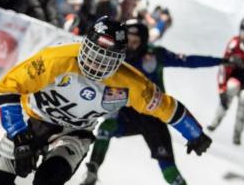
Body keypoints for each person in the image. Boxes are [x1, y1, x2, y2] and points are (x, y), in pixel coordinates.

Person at [0, 16, 212, 185]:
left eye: (107, 59)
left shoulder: (131, 83)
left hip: (75, 134)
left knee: (47, 181)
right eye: (93, 54)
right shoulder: (54, 60)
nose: (96, 65)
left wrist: (196, 134)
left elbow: (166, 108)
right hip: (33, 123)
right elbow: (8, 88)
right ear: (84, 44)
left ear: (121, 59)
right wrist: (19, 135)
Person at [81, 20, 227, 185]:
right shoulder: (116, 54)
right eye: (129, 38)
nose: (132, 43)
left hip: (155, 116)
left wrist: (220, 61)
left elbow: (189, 61)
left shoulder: (156, 54)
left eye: (136, 39)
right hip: (127, 114)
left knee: (169, 169)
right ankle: (92, 170)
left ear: (144, 40)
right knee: (105, 129)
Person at [207, 16, 244, 145]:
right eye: (243, 31)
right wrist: (221, 89)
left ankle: (237, 134)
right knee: (230, 88)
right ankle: (215, 123)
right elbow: (223, 66)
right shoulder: (234, 43)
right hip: (235, 78)